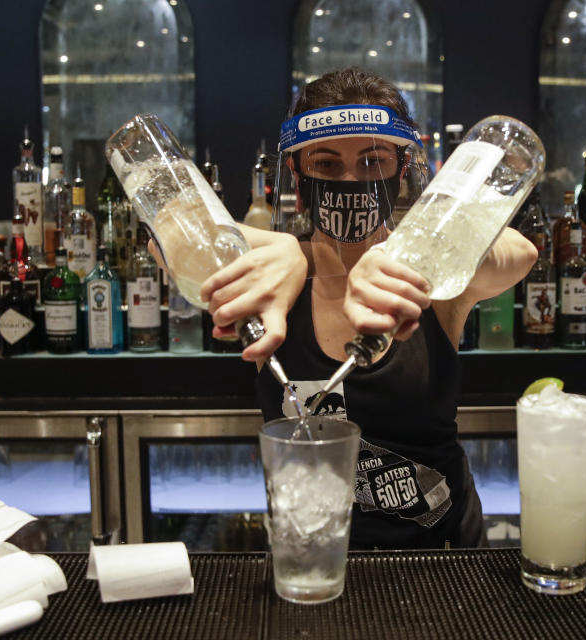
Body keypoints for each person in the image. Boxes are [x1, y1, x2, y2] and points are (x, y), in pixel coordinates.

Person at [199, 67, 538, 549]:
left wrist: (412, 255)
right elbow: (173, 225)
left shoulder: (430, 276)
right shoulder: (272, 272)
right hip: (315, 556)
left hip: (445, 561)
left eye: (373, 161)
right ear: (296, 171)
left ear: (401, 169)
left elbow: (519, 253)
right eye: (327, 164)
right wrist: (288, 252)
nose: (352, 179)